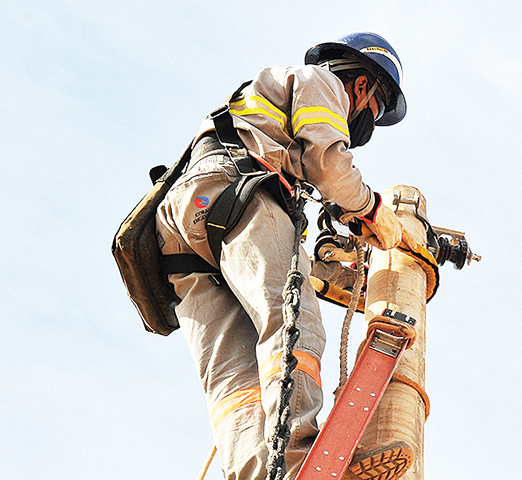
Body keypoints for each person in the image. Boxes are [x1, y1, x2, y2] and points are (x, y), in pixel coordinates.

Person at [155, 32, 407, 480]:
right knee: (295, 324)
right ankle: (299, 462)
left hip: (185, 227)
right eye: (377, 108)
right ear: (365, 86)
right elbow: (329, 162)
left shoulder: (266, 110)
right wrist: (370, 210)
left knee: (236, 381)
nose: (369, 120)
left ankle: (256, 474)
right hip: (237, 194)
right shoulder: (321, 83)